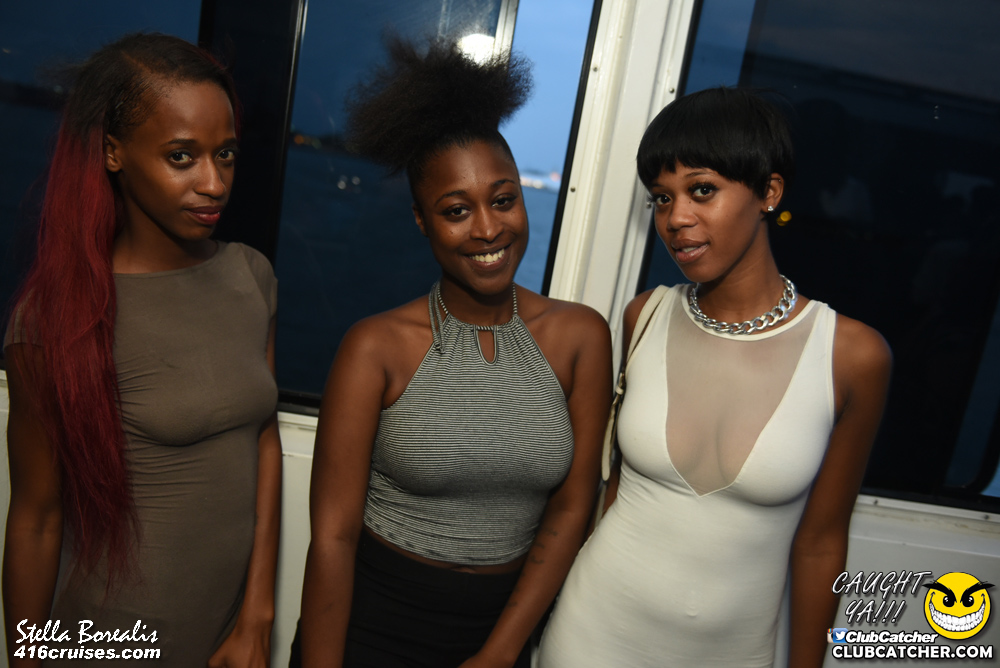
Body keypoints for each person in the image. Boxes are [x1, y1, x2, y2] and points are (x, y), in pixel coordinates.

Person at [537, 87, 892, 667]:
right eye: (661, 198)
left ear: (768, 193)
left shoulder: (851, 355)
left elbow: (821, 543)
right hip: (588, 636)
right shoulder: (645, 316)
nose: (676, 219)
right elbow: (614, 490)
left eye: (702, 190)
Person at [294, 38, 612, 668]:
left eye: (504, 199)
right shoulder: (376, 347)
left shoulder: (580, 336)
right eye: (456, 210)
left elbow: (574, 506)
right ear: (421, 221)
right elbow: (333, 537)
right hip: (372, 628)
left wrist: (501, 651)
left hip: (502, 629)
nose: (488, 229)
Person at [3, 33, 282, 666]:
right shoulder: (55, 318)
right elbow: (37, 519)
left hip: (226, 635)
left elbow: (263, 438)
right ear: (113, 152)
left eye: (226, 154)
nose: (214, 182)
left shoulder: (251, 277)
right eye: (181, 156)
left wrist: (257, 616)